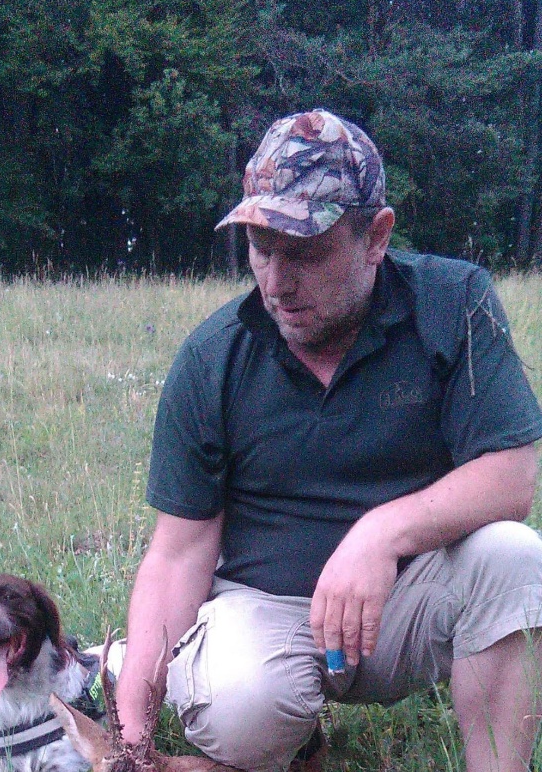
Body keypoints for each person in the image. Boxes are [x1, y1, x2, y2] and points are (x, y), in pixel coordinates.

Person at [116, 109, 542, 772]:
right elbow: (176, 557)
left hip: (405, 603)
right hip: (265, 608)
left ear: (376, 236)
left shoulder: (453, 302)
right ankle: (282, 732)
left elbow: (512, 476)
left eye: (305, 253)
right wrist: (131, 734)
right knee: (241, 707)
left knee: (514, 558)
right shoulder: (212, 357)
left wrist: (380, 535)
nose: (277, 283)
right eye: (261, 249)